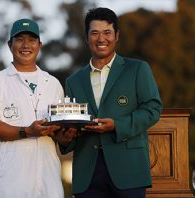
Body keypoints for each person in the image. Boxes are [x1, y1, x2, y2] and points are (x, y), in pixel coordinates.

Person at [56, 7, 163, 198]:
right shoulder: (73, 81)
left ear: (117, 35)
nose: (101, 39)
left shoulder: (137, 69)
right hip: (87, 174)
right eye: (95, 33)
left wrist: (117, 125)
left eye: (107, 32)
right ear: (87, 37)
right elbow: (71, 122)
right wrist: (64, 141)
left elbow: (153, 109)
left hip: (129, 170)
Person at [0, 18, 64, 198]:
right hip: (9, 185)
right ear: (10, 44)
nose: (26, 45)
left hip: (49, 184)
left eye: (32, 39)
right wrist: (27, 131)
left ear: (39, 45)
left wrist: (65, 134)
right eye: (20, 39)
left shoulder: (53, 84)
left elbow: (60, 129)